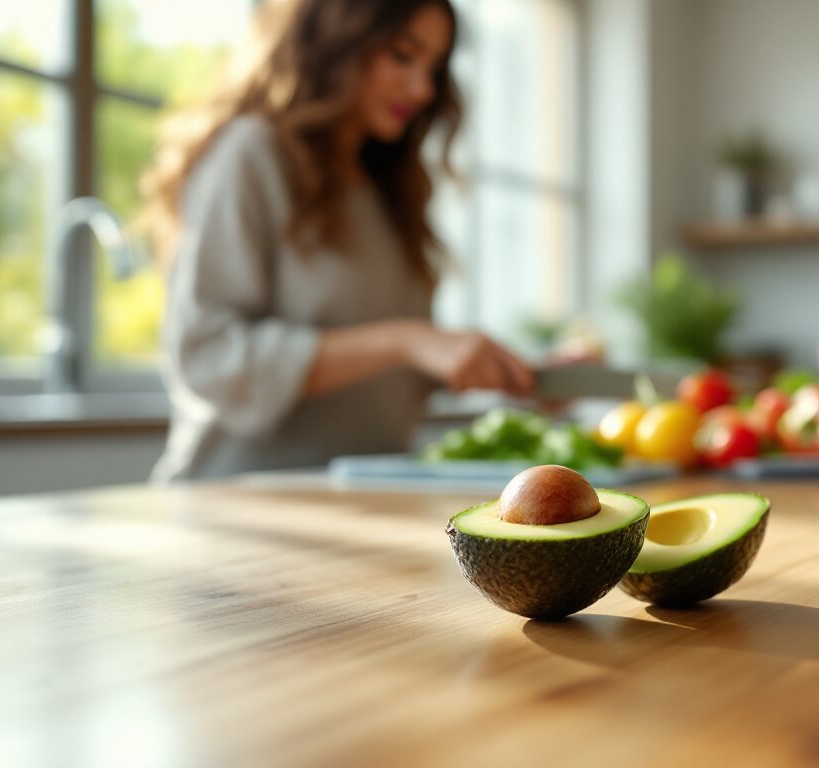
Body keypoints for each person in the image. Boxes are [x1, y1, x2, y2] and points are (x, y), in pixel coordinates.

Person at [142, 0, 533, 481]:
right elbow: (207, 357)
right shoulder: (252, 154)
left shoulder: (388, 192)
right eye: (402, 56)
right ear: (338, 41)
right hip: (239, 503)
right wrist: (405, 340)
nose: (423, 88)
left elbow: (382, 379)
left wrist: (521, 374)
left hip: (361, 501)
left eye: (433, 67)